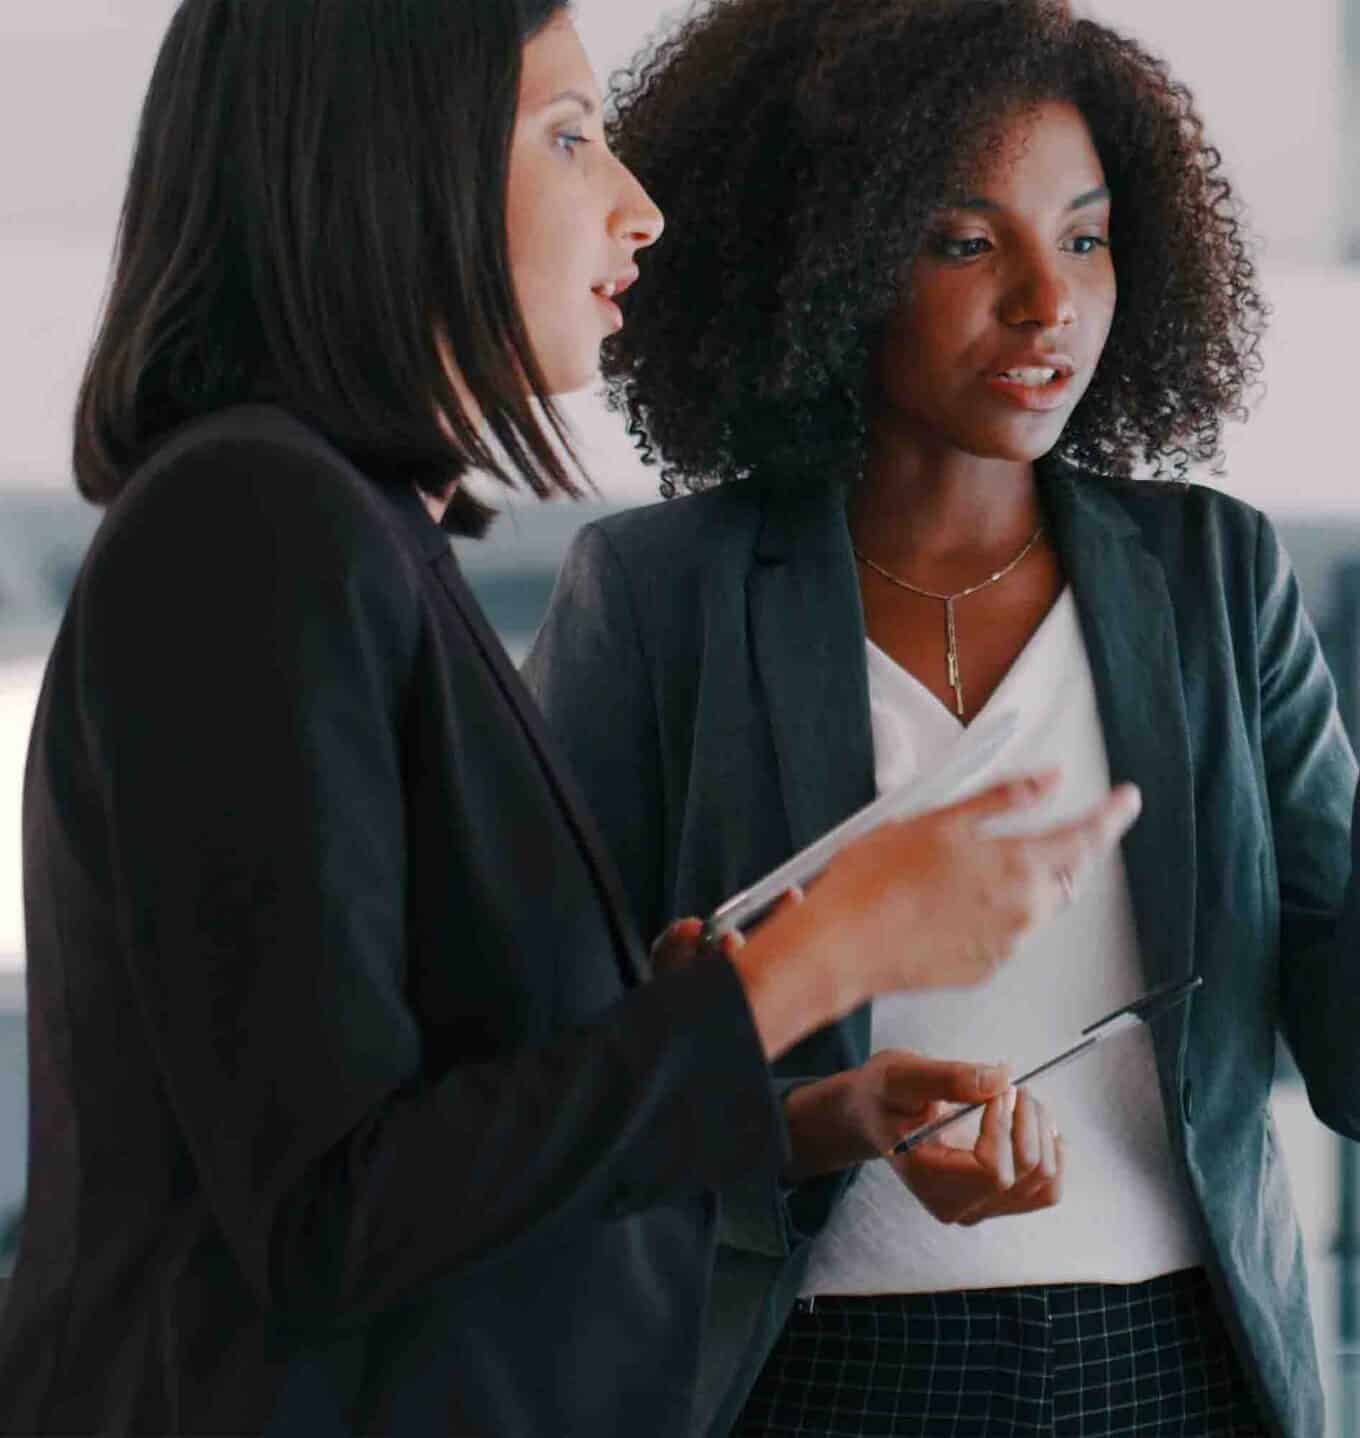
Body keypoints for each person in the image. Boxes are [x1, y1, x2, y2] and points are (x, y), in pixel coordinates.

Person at [525, 1, 1360, 1433]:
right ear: (826, 257)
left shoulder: (1211, 574)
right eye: (966, 241)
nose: (1045, 302)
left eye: (1083, 236)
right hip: (802, 1382)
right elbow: (551, 1084)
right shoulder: (657, 595)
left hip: (1177, 1377)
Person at [0, 1, 1135, 1431]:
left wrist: (805, 1118)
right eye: (570, 139)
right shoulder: (254, 528)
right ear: (388, 163)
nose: (639, 209)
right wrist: (823, 953)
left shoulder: (363, 539)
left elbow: (446, 1142)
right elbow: (331, 1216)